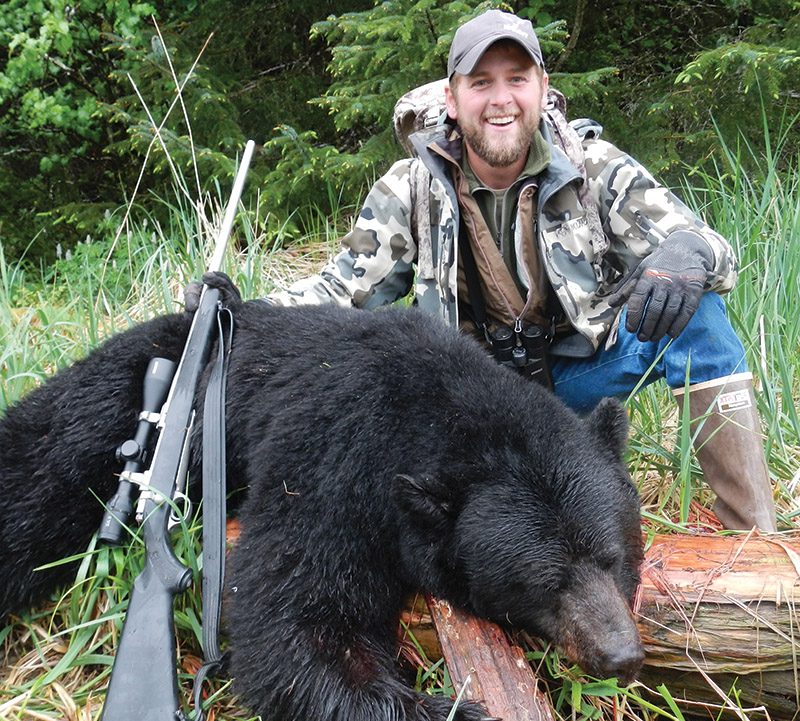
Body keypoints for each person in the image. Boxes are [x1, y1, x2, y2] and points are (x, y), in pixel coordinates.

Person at [262, 9, 777, 532]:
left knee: (700, 314)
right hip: (466, 404)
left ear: (542, 88)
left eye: (517, 79)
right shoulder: (412, 187)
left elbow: (711, 247)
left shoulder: (592, 168)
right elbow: (339, 287)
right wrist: (249, 312)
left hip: (574, 377)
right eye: (481, 82)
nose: (501, 99)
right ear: (453, 98)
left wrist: (686, 252)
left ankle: (755, 540)